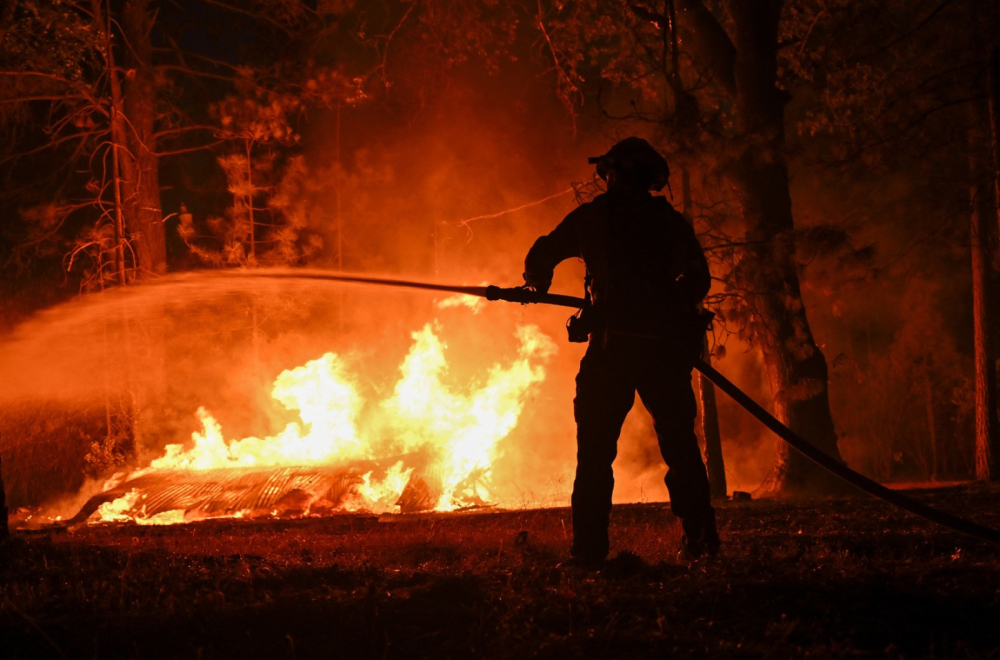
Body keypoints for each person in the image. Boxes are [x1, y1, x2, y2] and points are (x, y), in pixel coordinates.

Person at [522, 137, 718, 567]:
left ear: (611, 174)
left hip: (613, 351)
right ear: (650, 179)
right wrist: (674, 309)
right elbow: (699, 279)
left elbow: (543, 252)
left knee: (594, 452)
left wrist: (536, 284)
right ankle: (702, 543)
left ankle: (589, 552)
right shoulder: (670, 224)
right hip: (664, 351)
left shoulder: (595, 218)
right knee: (681, 448)